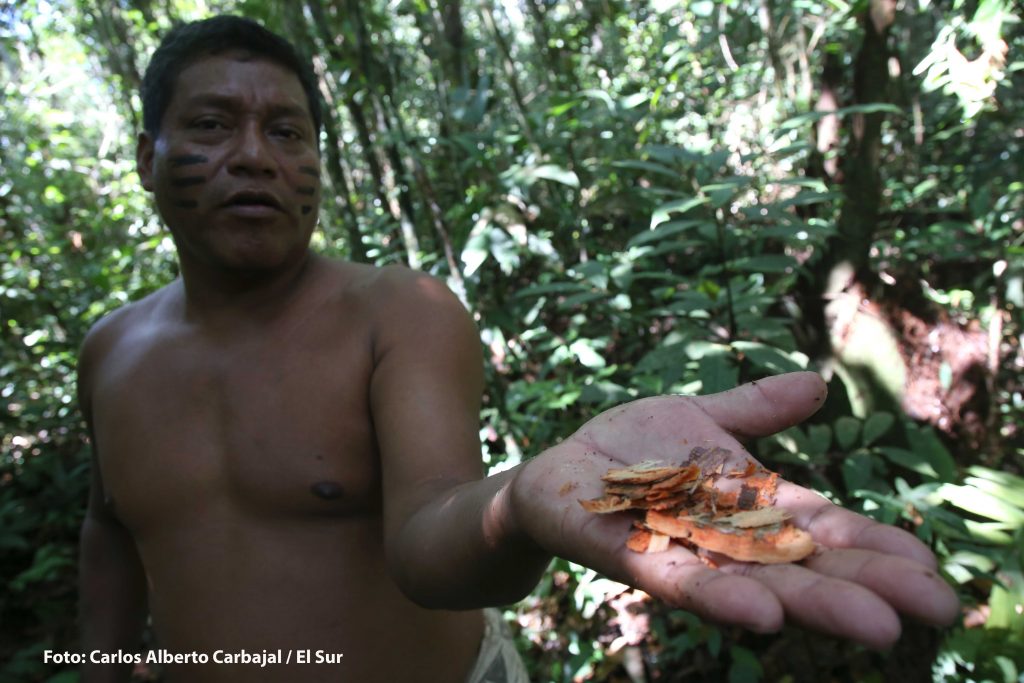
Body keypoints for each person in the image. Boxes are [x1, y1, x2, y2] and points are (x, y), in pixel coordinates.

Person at [77, 15, 959, 683]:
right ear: (148, 156)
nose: (253, 156)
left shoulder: (399, 310)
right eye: (212, 125)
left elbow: (430, 538)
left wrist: (524, 497)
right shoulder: (110, 352)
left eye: (287, 131)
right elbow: (112, 524)